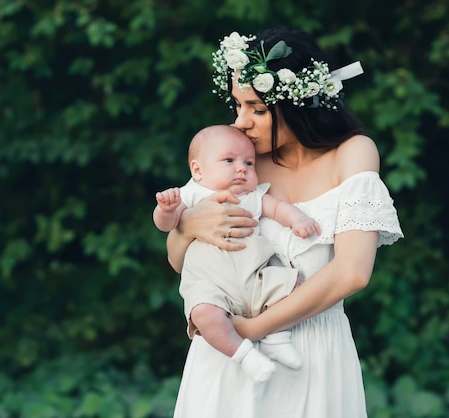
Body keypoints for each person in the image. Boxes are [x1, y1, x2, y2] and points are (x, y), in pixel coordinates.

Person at [167, 26, 404, 417]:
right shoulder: (239, 164)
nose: (241, 122)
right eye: (237, 105)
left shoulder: (353, 153)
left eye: (257, 110)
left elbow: (352, 272)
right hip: (226, 358)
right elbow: (180, 260)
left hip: (311, 356)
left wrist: (255, 330)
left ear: (298, 104)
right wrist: (190, 225)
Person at [154, 124, 321, 383]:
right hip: (212, 283)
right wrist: (166, 210)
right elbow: (169, 225)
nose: (242, 168)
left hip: (254, 276)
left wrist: (297, 219)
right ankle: (244, 356)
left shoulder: (251, 196)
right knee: (203, 314)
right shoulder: (194, 193)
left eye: (249, 163)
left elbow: (276, 208)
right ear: (198, 170)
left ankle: (278, 337)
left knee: (293, 285)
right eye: (229, 161)